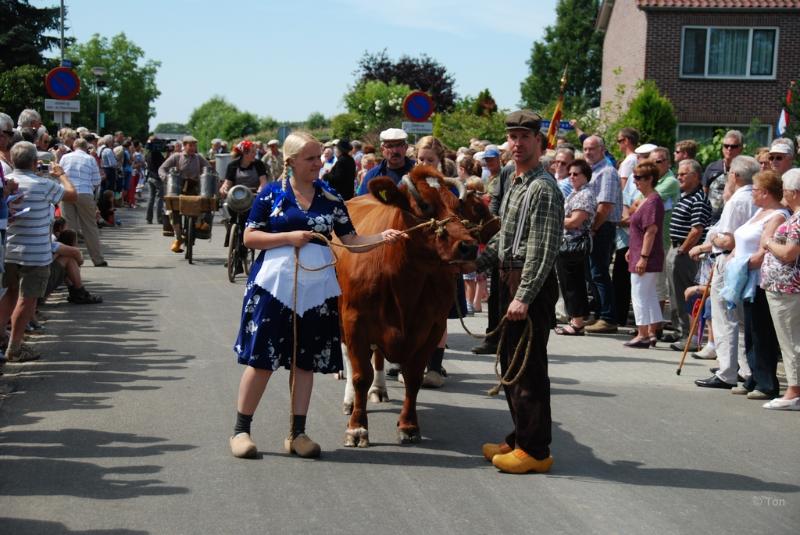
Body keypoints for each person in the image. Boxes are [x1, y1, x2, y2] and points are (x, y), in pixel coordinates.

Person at [229, 132, 406, 459]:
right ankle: (241, 430)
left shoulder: (330, 196)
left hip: (316, 291)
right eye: (310, 158)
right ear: (291, 161)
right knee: (262, 361)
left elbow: (350, 240)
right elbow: (250, 237)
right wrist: (288, 237)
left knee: (305, 361)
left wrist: (382, 237)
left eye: (318, 157)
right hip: (274, 289)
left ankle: (297, 433)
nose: (317, 164)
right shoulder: (272, 194)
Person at [474, 110, 563, 474]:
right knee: (511, 364)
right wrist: (474, 265)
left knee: (528, 370)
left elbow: (542, 249)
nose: (517, 143)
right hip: (509, 278)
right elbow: (504, 238)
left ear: (539, 142)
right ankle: (519, 436)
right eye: (512, 136)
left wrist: (523, 296)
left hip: (529, 285)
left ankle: (534, 450)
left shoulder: (542, 187)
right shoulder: (516, 182)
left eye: (524, 137)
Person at [0, 142, 77, 364]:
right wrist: (61, 175)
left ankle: (3, 340)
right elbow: (72, 195)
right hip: (35, 253)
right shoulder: (44, 185)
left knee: (9, 295)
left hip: (10, 250)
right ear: (35, 162)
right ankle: (15, 346)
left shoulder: (9, 182)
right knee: (27, 300)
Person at [692, 156, 759, 389]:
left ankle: (727, 371)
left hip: (729, 261)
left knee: (724, 319)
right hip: (747, 263)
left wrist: (712, 237)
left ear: (736, 176)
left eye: (730, 173)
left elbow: (728, 239)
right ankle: (743, 368)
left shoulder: (738, 200)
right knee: (739, 321)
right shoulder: (757, 197)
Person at [730, 170, 790, 399]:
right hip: (745, 278)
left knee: (761, 330)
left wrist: (743, 265)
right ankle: (753, 377)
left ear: (765, 192)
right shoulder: (759, 211)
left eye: (754, 189)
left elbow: (764, 249)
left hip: (759, 279)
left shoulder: (777, 216)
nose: (751, 193)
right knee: (750, 331)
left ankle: (766, 383)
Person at [760, 168, 800, 410]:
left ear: (794, 192)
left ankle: (793, 392)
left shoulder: (798, 219)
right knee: (791, 338)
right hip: (785, 286)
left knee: (790, 339)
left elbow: (789, 253)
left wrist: (768, 242)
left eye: (784, 188)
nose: (782, 192)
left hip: (788, 287)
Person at [665, 159, 711, 351]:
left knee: (685, 292)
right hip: (675, 247)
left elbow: (697, 229)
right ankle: (679, 330)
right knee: (674, 292)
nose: (679, 177)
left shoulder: (699, 199)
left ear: (696, 176)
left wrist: (683, 249)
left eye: (684, 174)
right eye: (679, 173)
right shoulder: (685, 196)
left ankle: (690, 336)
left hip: (685, 251)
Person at [583, 135, 623, 334]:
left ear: (602, 149)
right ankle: (600, 313)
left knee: (598, 272)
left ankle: (608, 317)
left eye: (592, 148)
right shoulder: (592, 171)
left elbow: (605, 205)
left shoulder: (607, 172)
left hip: (602, 227)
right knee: (591, 273)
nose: (588, 152)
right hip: (594, 227)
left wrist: (593, 228)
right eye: (585, 149)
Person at [623, 161, 665, 348]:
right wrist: (633, 251)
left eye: (639, 178)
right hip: (640, 252)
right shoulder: (646, 200)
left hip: (647, 255)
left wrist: (643, 257)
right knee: (648, 295)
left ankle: (642, 334)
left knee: (639, 294)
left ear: (650, 179)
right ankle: (651, 333)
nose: (635, 181)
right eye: (634, 177)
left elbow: (651, 231)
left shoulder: (653, 201)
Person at [554, 159, 596, 336]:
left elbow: (574, 222)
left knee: (573, 283)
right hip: (566, 242)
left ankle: (577, 322)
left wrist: (555, 219)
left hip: (574, 244)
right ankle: (575, 319)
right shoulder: (575, 192)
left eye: (576, 174)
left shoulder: (585, 194)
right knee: (568, 282)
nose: (571, 177)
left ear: (585, 176)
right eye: (570, 173)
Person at [158, 135, 212, 253]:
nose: (193, 148)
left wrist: (210, 175)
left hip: (195, 189)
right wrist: (166, 178)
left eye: (194, 145)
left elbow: (209, 168)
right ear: (185, 145)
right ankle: (178, 238)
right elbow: (162, 168)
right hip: (178, 188)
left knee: (203, 204)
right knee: (174, 211)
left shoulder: (199, 158)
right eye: (190, 145)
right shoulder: (176, 157)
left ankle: (199, 222)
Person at [60, 137, 107, 267]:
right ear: (86, 147)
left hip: (67, 192)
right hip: (84, 192)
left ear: (74, 146)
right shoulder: (90, 159)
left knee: (69, 227)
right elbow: (97, 180)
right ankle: (97, 259)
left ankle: (71, 259)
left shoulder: (65, 157)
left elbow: (60, 174)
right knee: (90, 226)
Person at [356, 128, 415, 195]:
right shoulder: (372, 175)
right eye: (389, 146)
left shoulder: (417, 169)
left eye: (399, 145)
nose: (395, 151)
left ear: (406, 147)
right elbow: (362, 202)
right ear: (382, 149)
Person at [703, 130, 743, 224]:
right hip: (711, 220)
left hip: (734, 220)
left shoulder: (746, 169)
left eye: (733, 146)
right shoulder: (712, 167)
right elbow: (704, 193)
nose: (729, 149)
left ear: (740, 148)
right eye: (726, 146)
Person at [145, 137, 166, 225]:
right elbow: (164, 164)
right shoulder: (157, 155)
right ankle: (159, 218)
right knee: (160, 199)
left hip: (150, 177)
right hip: (157, 178)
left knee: (151, 198)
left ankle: (148, 218)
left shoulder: (148, 154)